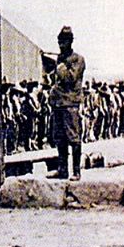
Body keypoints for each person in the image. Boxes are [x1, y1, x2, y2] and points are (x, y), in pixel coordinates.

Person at [48, 26, 86, 180]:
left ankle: (76, 171)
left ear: (70, 42)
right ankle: (62, 169)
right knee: (59, 137)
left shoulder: (78, 59)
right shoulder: (60, 59)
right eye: (59, 42)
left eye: (63, 42)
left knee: (73, 137)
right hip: (58, 103)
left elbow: (70, 78)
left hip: (70, 103)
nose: (60, 46)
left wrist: (60, 66)